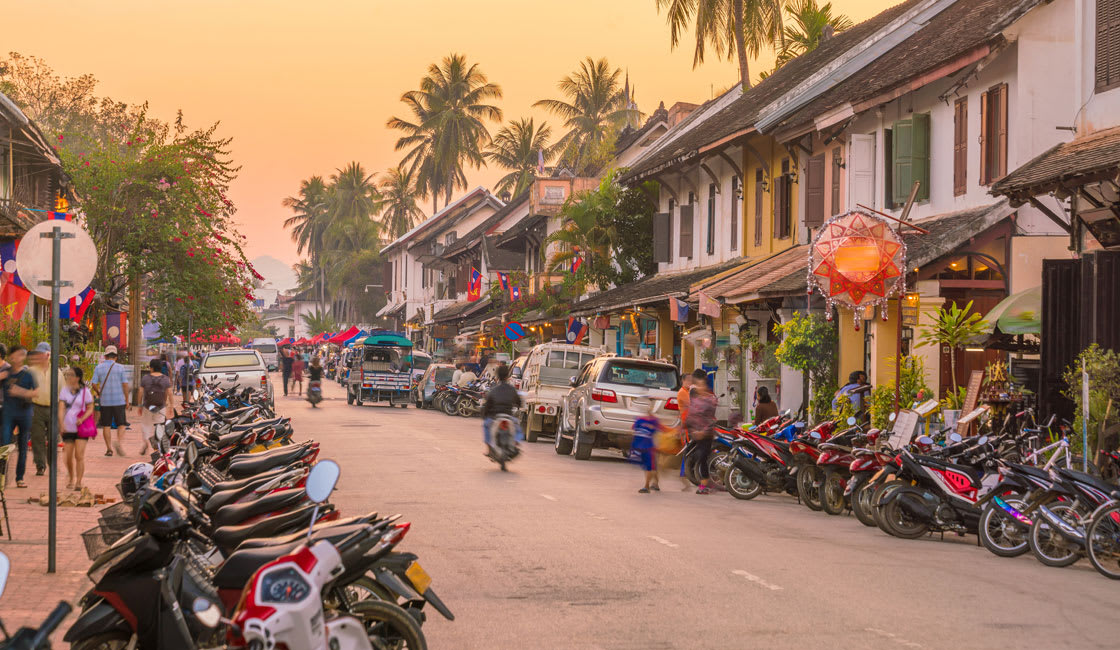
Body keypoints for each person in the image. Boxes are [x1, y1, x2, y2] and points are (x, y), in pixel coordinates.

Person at [1, 346, 38, 487]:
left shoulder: (28, 375)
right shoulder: (6, 373)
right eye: (17, 355)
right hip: (8, 413)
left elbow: (36, 392)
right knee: (4, 444)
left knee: (22, 446)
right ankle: (2, 477)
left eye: (22, 355)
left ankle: (19, 478)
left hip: (24, 414)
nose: (19, 358)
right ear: (11, 357)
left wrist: (20, 392)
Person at [27, 343, 62, 476]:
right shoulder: (31, 371)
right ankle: (40, 465)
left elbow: (62, 392)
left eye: (45, 354)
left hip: (53, 408)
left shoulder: (57, 372)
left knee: (53, 437)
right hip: (36, 408)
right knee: (37, 438)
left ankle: (52, 464)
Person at [59, 367, 95, 490]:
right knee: (68, 456)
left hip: (81, 428)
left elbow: (90, 407)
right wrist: (61, 423)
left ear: (77, 378)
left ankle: (78, 482)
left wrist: (82, 418)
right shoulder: (64, 391)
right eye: (67, 375)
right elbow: (61, 407)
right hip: (68, 427)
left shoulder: (85, 391)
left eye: (71, 375)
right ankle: (70, 477)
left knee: (79, 455)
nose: (68, 377)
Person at [91, 345, 130, 458]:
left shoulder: (99, 367)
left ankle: (109, 449)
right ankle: (118, 441)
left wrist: (99, 392)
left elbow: (93, 383)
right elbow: (125, 384)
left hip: (105, 401)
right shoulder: (120, 368)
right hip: (119, 400)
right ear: (116, 357)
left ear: (105, 356)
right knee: (121, 424)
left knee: (106, 425)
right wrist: (127, 400)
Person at [685, 368, 717, 495]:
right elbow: (692, 414)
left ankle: (705, 485)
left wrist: (703, 431)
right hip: (696, 432)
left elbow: (711, 418)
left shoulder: (711, 399)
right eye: (698, 384)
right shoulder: (695, 397)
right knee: (696, 456)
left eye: (701, 384)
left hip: (706, 433)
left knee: (702, 456)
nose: (699, 387)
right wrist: (691, 429)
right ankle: (705, 482)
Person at [480, 364, 522, 457]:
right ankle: (515, 444)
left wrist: (484, 415)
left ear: (498, 376)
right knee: (518, 429)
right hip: (509, 416)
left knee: (486, 426)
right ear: (508, 376)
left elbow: (487, 406)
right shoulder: (512, 390)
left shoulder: (493, 390)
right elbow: (518, 402)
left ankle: (489, 449)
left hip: (494, 417)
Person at [137, 359, 173, 456]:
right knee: (160, 426)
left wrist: (139, 405)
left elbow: (140, 392)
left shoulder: (145, 378)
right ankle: (160, 448)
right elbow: (169, 393)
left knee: (146, 425)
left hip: (147, 406)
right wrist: (170, 406)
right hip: (160, 406)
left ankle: (145, 443)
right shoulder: (165, 379)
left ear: (151, 367)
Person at [632, 404, 666, 493]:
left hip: (650, 447)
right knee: (651, 467)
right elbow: (634, 431)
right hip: (645, 446)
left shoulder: (651, 420)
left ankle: (647, 486)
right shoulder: (641, 420)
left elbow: (661, 430)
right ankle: (655, 484)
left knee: (649, 467)